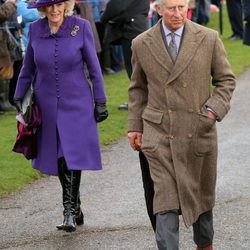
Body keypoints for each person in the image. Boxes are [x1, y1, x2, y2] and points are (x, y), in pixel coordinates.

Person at [127, 0, 236, 249]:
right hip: (159, 133)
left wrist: (211, 112)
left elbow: (225, 80)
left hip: (198, 129)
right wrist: (135, 126)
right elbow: (137, 89)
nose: (178, 14)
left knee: (200, 193)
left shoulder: (208, 38)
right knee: (164, 199)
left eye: (181, 7)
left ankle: (205, 244)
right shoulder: (141, 43)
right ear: (158, 9)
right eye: (171, 8)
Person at [13, 0, 108, 232]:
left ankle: (68, 212)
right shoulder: (36, 29)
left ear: (66, 6)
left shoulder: (81, 27)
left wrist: (101, 100)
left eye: (59, 5)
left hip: (77, 102)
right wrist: (18, 96)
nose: (54, 10)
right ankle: (75, 205)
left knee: (71, 153)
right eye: (49, 6)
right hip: (46, 104)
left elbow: (94, 68)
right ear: (43, 8)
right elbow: (27, 68)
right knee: (58, 155)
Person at [100, 0, 150, 110]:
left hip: (132, 30)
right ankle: (142, 101)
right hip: (139, 26)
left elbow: (117, 5)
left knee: (134, 70)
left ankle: (140, 102)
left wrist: (103, 17)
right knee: (139, 69)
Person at [0, 0, 16, 115]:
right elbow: (2, 14)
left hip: (3, 39)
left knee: (6, 69)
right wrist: (10, 3)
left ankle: (4, 102)